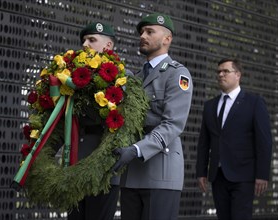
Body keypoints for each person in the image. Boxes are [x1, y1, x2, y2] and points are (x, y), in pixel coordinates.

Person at [112, 13, 193, 220]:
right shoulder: (137, 77)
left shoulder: (177, 74)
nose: (142, 36)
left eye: (149, 32)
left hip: (161, 173)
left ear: (167, 39)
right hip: (132, 175)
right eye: (141, 32)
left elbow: (173, 124)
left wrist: (137, 149)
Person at [196, 58, 272, 220]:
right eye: (218, 72)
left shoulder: (254, 103)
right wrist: (201, 172)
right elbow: (204, 142)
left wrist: (262, 174)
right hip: (218, 176)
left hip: (244, 176)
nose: (220, 74)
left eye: (225, 71)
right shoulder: (210, 105)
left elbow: (264, 142)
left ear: (238, 75)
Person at [67, 22, 120, 220]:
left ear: (108, 47)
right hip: (75, 167)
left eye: (92, 40)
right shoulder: (71, 78)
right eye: (83, 40)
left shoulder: (122, 78)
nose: (85, 44)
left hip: (103, 170)